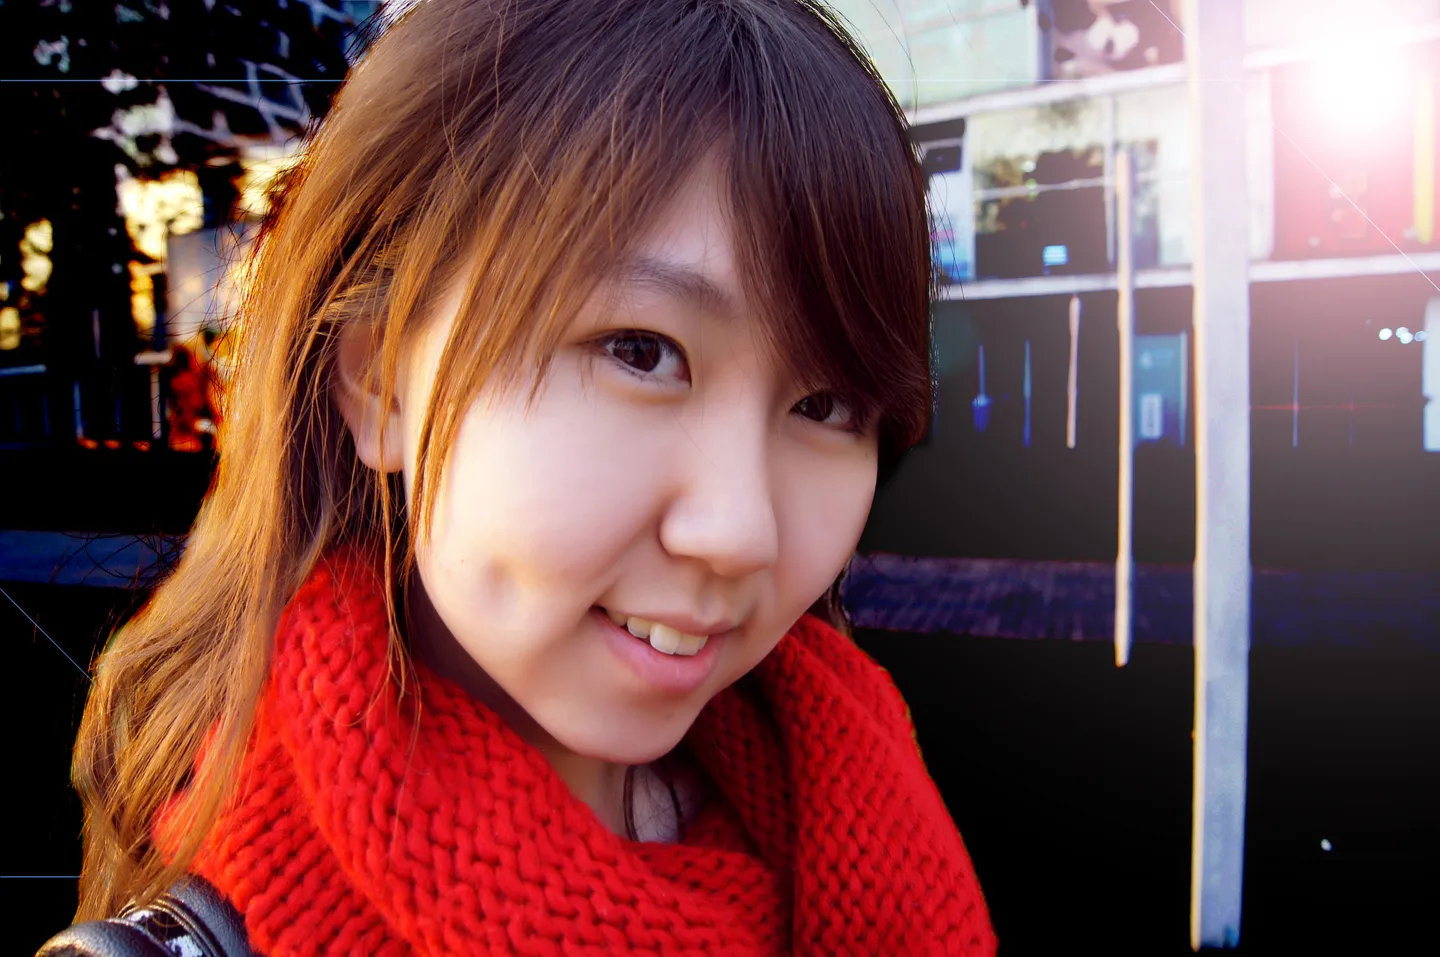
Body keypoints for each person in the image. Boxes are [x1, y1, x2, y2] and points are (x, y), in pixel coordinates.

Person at [55, 1, 996, 953]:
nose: (741, 530)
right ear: (380, 380)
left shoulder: (861, 800)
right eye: (640, 351)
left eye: (826, 405)